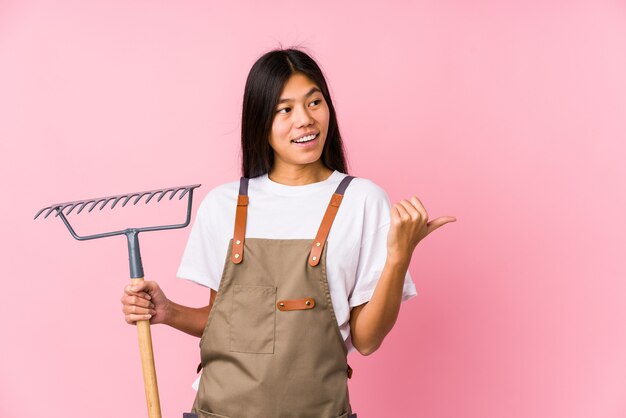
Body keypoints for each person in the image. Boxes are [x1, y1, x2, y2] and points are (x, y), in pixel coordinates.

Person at [121, 47, 456, 418]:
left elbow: (367, 340)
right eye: (286, 109)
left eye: (314, 102)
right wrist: (168, 311)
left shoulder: (362, 200)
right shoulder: (224, 204)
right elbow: (225, 321)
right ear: (261, 120)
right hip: (219, 410)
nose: (305, 120)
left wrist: (398, 257)